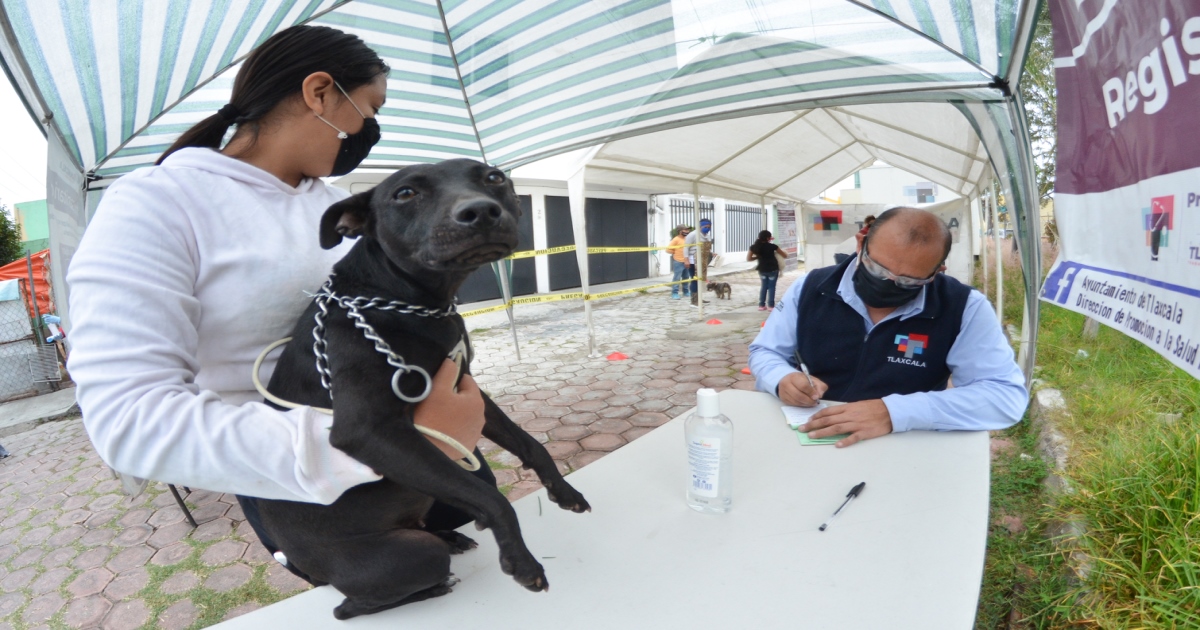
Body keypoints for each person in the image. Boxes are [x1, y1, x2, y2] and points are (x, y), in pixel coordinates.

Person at [65, 26, 491, 563]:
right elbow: (129, 419)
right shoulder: (157, 204)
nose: (370, 129)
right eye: (369, 108)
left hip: (446, 457)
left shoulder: (343, 207)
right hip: (323, 499)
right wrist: (391, 441)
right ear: (319, 93)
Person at [748, 207, 1027, 448]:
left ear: (936, 272)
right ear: (861, 244)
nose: (888, 283)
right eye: (878, 270)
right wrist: (781, 378)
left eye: (908, 281)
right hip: (809, 435)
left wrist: (894, 412)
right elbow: (765, 351)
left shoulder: (963, 306)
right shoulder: (812, 287)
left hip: (905, 447)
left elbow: (1004, 397)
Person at [746, 230, 781, 311]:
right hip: (773, 269)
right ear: (768, 238)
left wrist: (757, 257)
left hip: (762, 269)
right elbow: (784, 254)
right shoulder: (773, 246)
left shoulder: (754, 247)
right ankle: (771, 306)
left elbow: (749, 258)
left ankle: (761, 305)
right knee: (772, 287)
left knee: (764, 286)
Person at [684, 218, 714, 306]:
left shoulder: (707, 235)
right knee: (695, 280)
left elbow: (706, 248)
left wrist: (712, 253)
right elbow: (686, 247)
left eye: (709, 227)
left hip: (703, 260)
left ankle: (699, 298)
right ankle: (694, 301)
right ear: (700, 226)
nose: (707, 228)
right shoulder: (693, 235)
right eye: (706, 226)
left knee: (701, 280)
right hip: (693, 260)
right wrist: (686, 260)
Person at [668, 224, 693, 300]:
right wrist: (677, 254)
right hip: (678, 261)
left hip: (687, 261)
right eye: (685, 230)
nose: (687, 231)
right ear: (680, 231)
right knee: (677, 277)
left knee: (686, 277)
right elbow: (668, 250)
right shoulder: (676, 239)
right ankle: (674, 293)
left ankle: (686, 291)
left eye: (688, 230)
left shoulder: (688, 239)